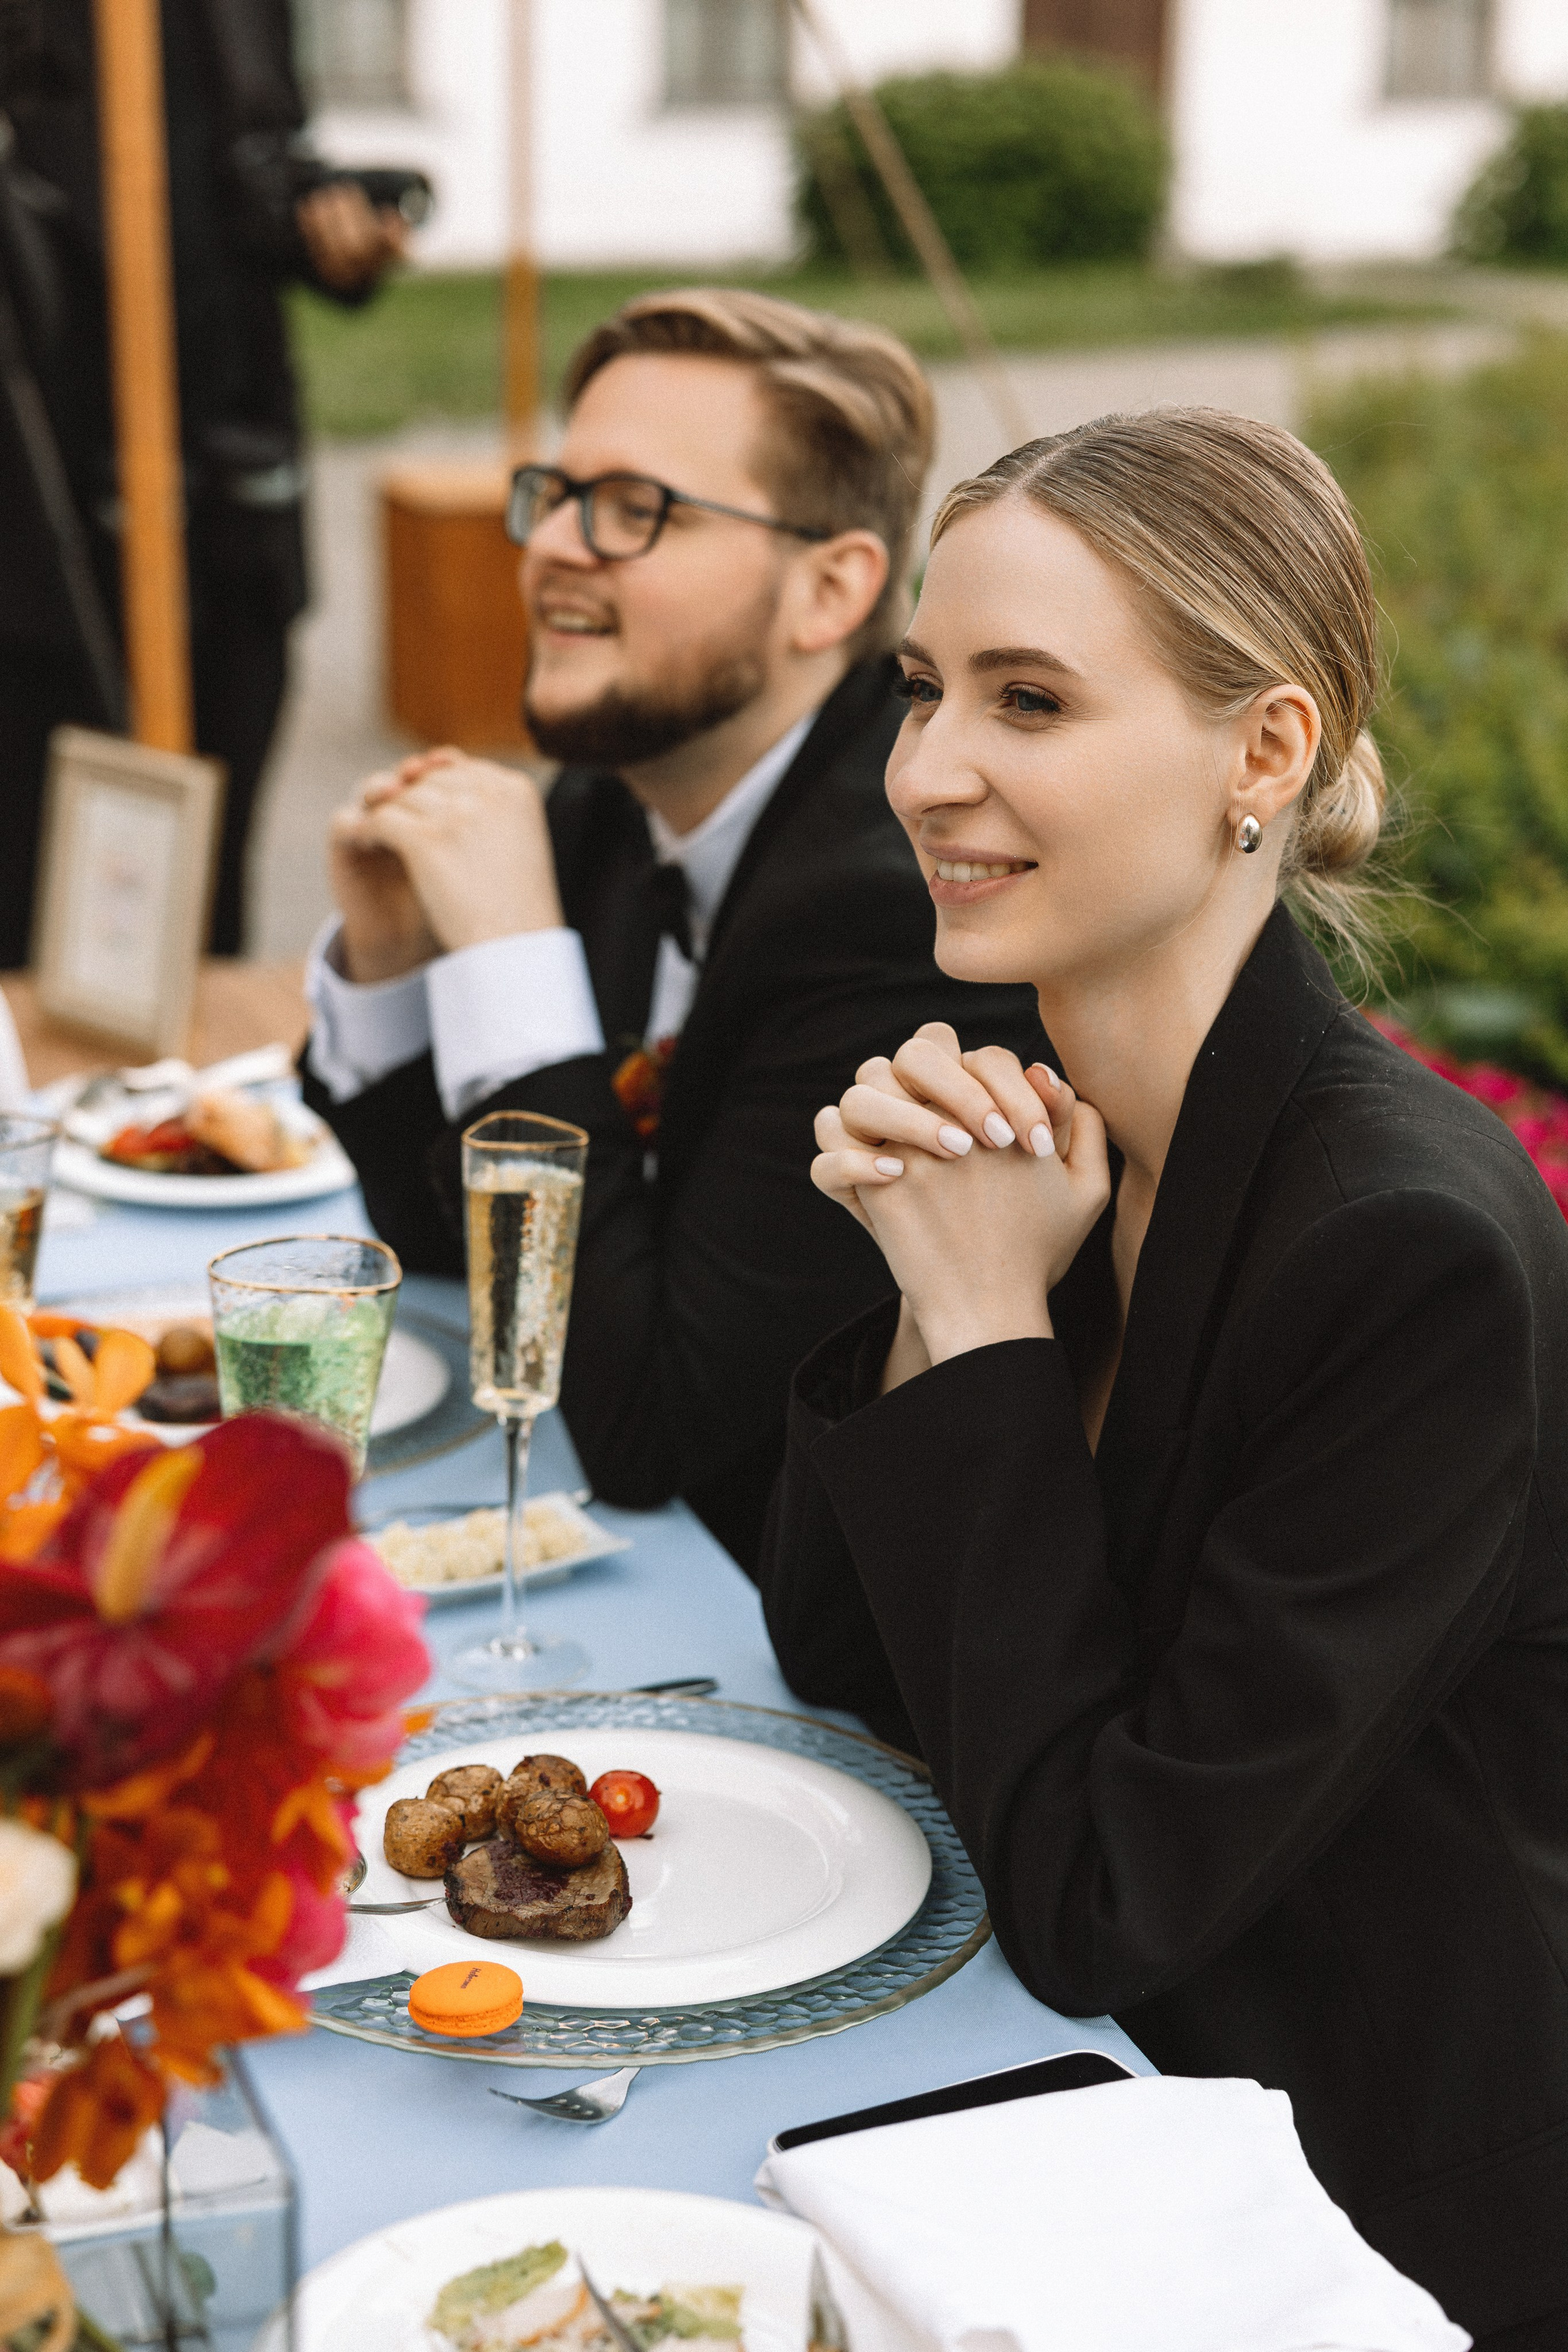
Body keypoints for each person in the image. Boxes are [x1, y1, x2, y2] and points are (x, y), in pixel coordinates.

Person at [758, 409, 1568, 2343]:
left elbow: (1105, 1899)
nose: (930, 771)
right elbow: (839, 1655)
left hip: (1352, 2218)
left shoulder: (1401, 1252)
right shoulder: (1050, 1142)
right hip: (1100, 2117)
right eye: (924, 690)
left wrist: (982, 1327)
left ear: (1264, 754)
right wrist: (939, 1284)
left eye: (1029, 702)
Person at [301, 288, 1045, 1573]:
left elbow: (653, 1431)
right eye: (557, 491)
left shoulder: (894, 909)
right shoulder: (604, 802)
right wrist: (390, 968)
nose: (557, 548)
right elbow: (454, 1270)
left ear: (828, 589)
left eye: (636, 509)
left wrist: (507, 967)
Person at [0, 0, 410, 963]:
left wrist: (329, 226)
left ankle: (191, 1101)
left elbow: (252, 170)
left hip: (234, 490)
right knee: (40, 890)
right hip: (43, 507)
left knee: (207, 874)